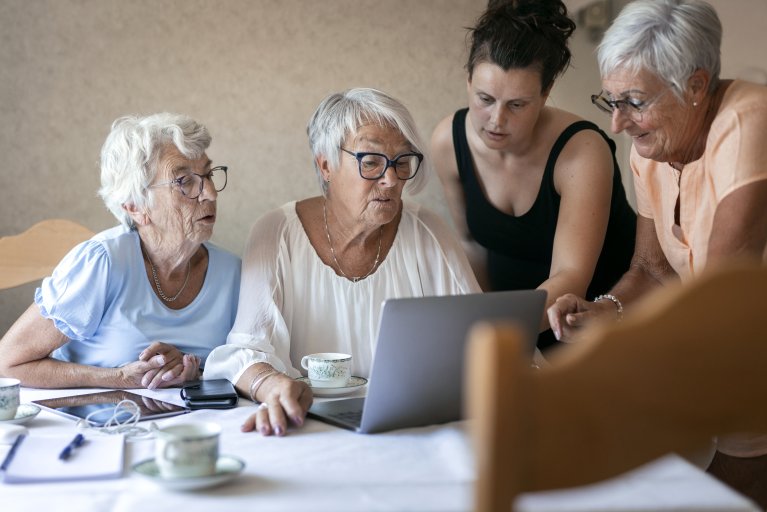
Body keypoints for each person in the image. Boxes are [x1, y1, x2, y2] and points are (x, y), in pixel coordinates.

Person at [545, 0, 767, 506]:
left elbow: (719, 302)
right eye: (612, 101)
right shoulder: (654, 144)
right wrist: (604, 309)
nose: (619, 124)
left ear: (694, 85)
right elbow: (653, 269)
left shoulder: (752, 123)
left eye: (635, 102)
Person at [203, 88, 480, 436]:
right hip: (310, 426)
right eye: (372, 161)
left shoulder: (428, 231)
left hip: (412, 426)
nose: (391, 180)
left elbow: (482, 336)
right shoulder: (277, 232)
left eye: (401, 161)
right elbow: (246, 349)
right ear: (326, 165)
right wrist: (271, 385)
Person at [430, 0, 636, 352]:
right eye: (485, 98)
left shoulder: (581, 152)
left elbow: (570, 277)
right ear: (468, 81)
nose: (496, 120)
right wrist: (482, 326)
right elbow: (471, 245)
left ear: (545, 93)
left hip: (600, 328)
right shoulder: (447, 141)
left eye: (516, 105)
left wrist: (496, 333)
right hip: (516, 330)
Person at [0, 113, 241, 390]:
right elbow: (8, 363)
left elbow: (241, 365)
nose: (210, 192)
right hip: (99, 426)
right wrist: (120, 378)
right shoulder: (103, 262)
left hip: (192, 427)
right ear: (135, 206)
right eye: (184, 180)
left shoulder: (232, 273)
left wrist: (193, 372)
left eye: (208, 174)